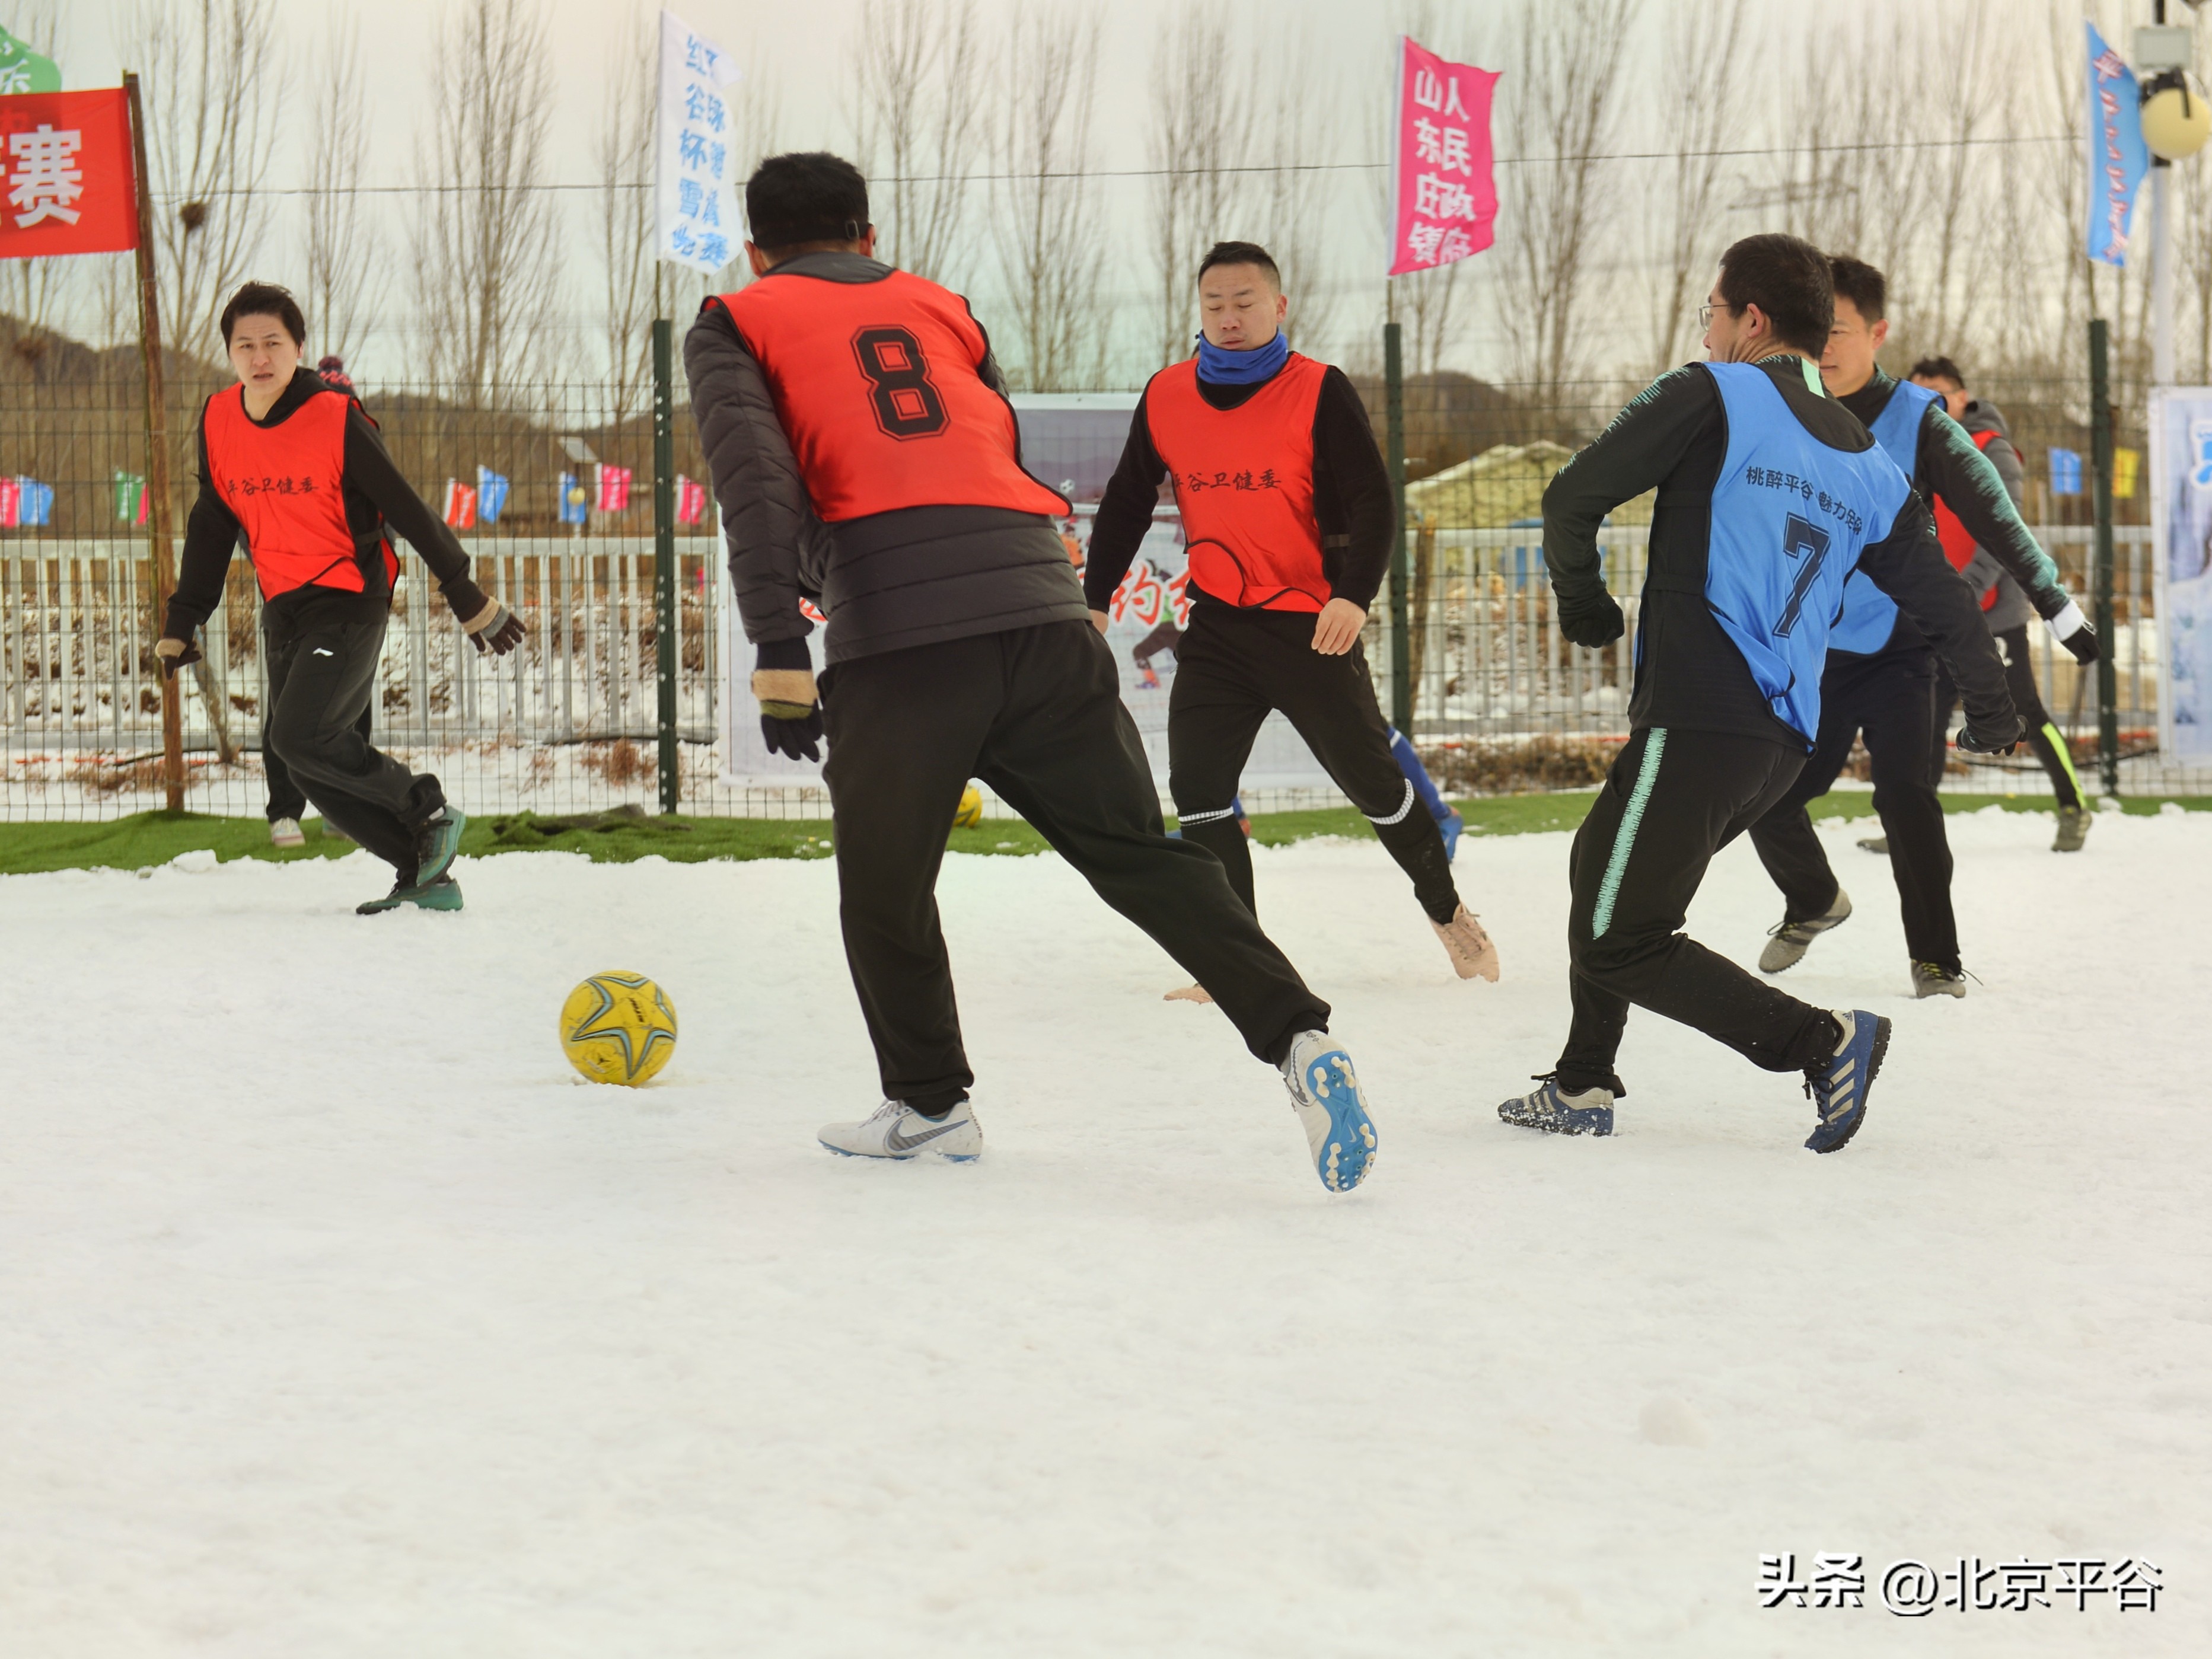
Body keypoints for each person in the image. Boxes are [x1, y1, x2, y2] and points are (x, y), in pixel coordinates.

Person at [685, 154, 1377, 1191]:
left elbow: (755, 484)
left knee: (885, 888)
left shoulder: (735, 320)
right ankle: (1300, 1038)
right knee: (1137, 853)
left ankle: (931, 1107)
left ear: (754, 251)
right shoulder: (944, 306)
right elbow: (993, 446)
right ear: (869, 238)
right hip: (1044, 613)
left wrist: (780, 649)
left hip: (904, 638)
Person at [1497, 233, 2021, 1153]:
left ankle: (1819, 1043)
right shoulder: (1868, 459)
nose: (1705, 330)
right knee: (1601, 869)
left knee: (1619, 933)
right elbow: (1941, 599)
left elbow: (1569, 497)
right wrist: (1990, 704)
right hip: (1778, 742)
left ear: (1749, 319)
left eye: (1710, 311)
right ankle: (1582, 1080)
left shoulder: (1712, 390)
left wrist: (1585, 608)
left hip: (1701, 714)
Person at [1082, 241, 1497, 990]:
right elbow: (1125, 501)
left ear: (1278, 306)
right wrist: (1093, 596)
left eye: (1244, 302)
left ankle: (1448, 912)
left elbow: (1373, 502)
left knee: (1375, 787)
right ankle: (1239, 963)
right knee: (1199, 791)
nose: (1229, 317)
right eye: (1214, 304)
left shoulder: (1317, 389)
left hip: (1312, 627)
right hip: (1217, 628)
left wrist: (1352, 596)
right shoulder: (1167, 394)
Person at [1742, 260, 2101, 997]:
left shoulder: (1919, 419)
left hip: (1903, 651)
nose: (1823, 346)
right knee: (1765, 795)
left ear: (1878, 333)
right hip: (1810, 649)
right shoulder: (1778, 405)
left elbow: (1995, 515)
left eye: (1839, 330)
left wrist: (2054, 602)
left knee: (1906, 797)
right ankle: (1813, 899)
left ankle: (1935, 957)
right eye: (1814, 330)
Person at [157, 282, 524, 912]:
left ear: (299, 346)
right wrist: (183, 618)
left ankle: (426, 806)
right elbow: (213, 521)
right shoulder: (218, 420)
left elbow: (404, 505)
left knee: (301, 736)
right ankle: (421, 871)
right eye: (245, 345)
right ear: (230, 352)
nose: (260, 357)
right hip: (283, 604)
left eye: (273, 342)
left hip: (351, 598)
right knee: (303, 759)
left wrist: (464, 592)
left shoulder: (334, 416)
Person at [1903, 355, 2094, 853]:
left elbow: (2003, 532)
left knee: (2023, 709)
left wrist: (1962, 591)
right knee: (1929, 713)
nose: (1928, 403)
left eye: (1939, 394)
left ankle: (2073, 807)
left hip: (1992, 611)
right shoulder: (1913, 448)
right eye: (1919, 393)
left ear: (1963, 398)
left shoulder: (1993, 450)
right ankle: (1913, 825)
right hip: (1939, 608)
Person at [264, 352, 371, 848]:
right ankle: (285, 812)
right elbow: (251, 524)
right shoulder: (280, 459)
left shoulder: (365, 459)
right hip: (290, 605)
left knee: (351, 707)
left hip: (350, 608)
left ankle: (342, 806)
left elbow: (386, 529)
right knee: (286, 707)